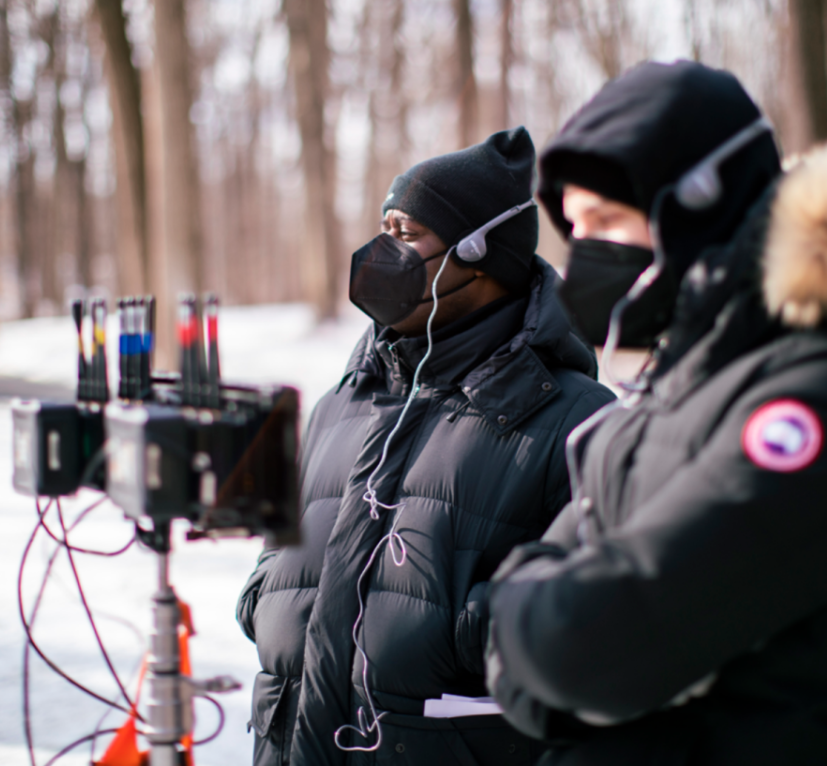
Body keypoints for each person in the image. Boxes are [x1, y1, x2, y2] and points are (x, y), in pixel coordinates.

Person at [483, 60, 827, 766]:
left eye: (607, 220)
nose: (585, 253)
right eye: (575, 229)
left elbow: (594, 646)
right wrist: (537, 639)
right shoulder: (672, 389)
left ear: (701, 202)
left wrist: (538, 634)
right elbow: (519, 644)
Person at [235, 127, 615, 766]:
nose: (384, 252)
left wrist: (461, 631)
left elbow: (600, 635)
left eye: (408, 234)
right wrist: (268, 596)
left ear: (482, 254)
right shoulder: (339, 404)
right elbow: (273, 563)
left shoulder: (575, 421)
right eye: (385, 228)